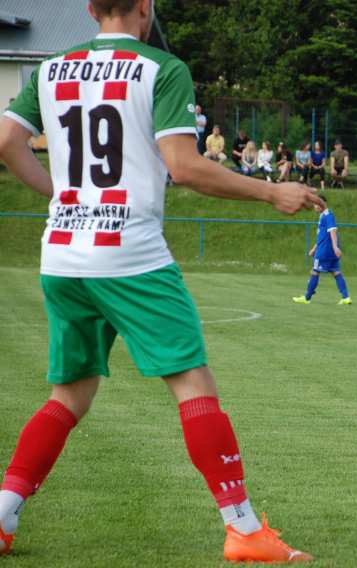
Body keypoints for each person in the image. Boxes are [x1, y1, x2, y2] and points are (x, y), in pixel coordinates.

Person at [0, 0, 321, 562]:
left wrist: (59, 196)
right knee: (195, 385)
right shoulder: (160, 68)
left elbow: (6, 141)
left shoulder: (51, 67)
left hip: (63, 257)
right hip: (131, 255)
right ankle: (244, 530)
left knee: (68, 396)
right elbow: (185, 166)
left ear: (90, 8)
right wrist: (273, 191)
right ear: (145, 7)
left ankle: (3, 517)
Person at [292, 196, 351, 305]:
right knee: (336, 272)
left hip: (325, 251)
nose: (314, 206)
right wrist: (314, 248)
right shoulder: (323, 215)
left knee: (314, 271)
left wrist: (334, 247)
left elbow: (333, 231)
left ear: (322, 204)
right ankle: (346, 297)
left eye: (316, 204)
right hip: (328, 250)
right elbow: (322, 236)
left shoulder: (328, 215)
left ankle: (307, 298)